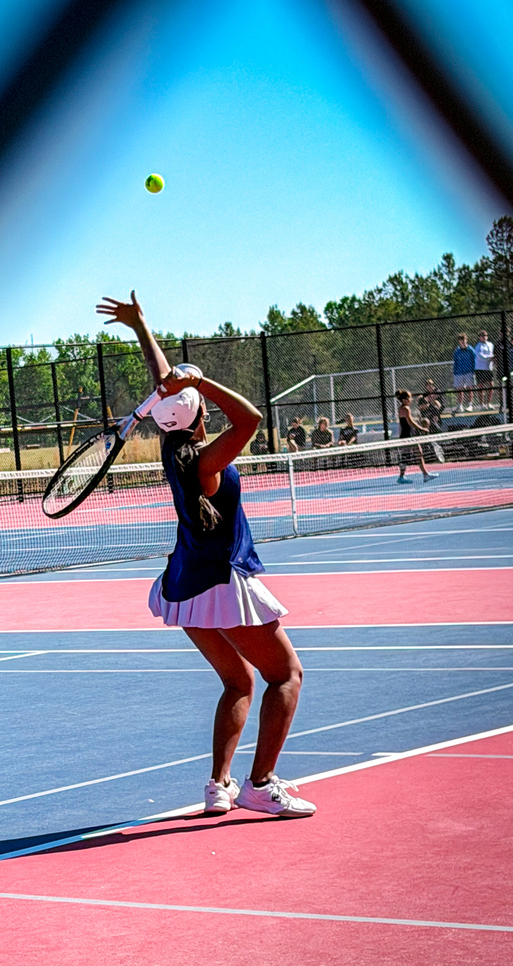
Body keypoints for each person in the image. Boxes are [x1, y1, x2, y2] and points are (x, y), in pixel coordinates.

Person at [96, 291, 316, 818]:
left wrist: (140, 326)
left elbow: (167, 387)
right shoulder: (205, 462)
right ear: (198, 416)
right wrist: (200, 382)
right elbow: (251, 420)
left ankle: (219, 787)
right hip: (219, 582)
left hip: (185, 586)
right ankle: (260, 784)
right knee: (286, 675)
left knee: (237, 680)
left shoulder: (175, 448)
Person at [396, 390, 438, 484]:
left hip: (408, 434)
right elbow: (410, 422)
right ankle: (403, 476)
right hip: (407, 435)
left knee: (416, 453)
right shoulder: (405, 409)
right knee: (411, 455)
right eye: (409, 398)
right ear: (404, 400)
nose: (411, 399)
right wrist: (422, 428)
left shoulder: (402, 408)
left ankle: (424, 475)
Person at [453, 333, 475, 412]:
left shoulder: (470, 350)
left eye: (464, 340)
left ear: (466, 340)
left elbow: (474, 360)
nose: (462, 342)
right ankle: (460, 406)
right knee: (459, 390)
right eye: (461, 341)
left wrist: (473, 371)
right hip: (459, 373)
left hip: (469, 372)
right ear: (459, 341)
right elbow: (455, 362)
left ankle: (470, 405)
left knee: (469, 389)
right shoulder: (457, 351)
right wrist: (455, 372)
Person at [473, 330, 495, 409]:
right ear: (479, 338)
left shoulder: (491, 344)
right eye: (482, 336)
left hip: (489, 369)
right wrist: (491, 357)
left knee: (491, 385)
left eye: (485, 335)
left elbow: (493, 353)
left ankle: (488, 403)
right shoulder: (478, 346)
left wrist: (492, 357)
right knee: (481, 386)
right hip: (480, 369)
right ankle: (481, 404)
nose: (484, 337)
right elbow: (480, 356)